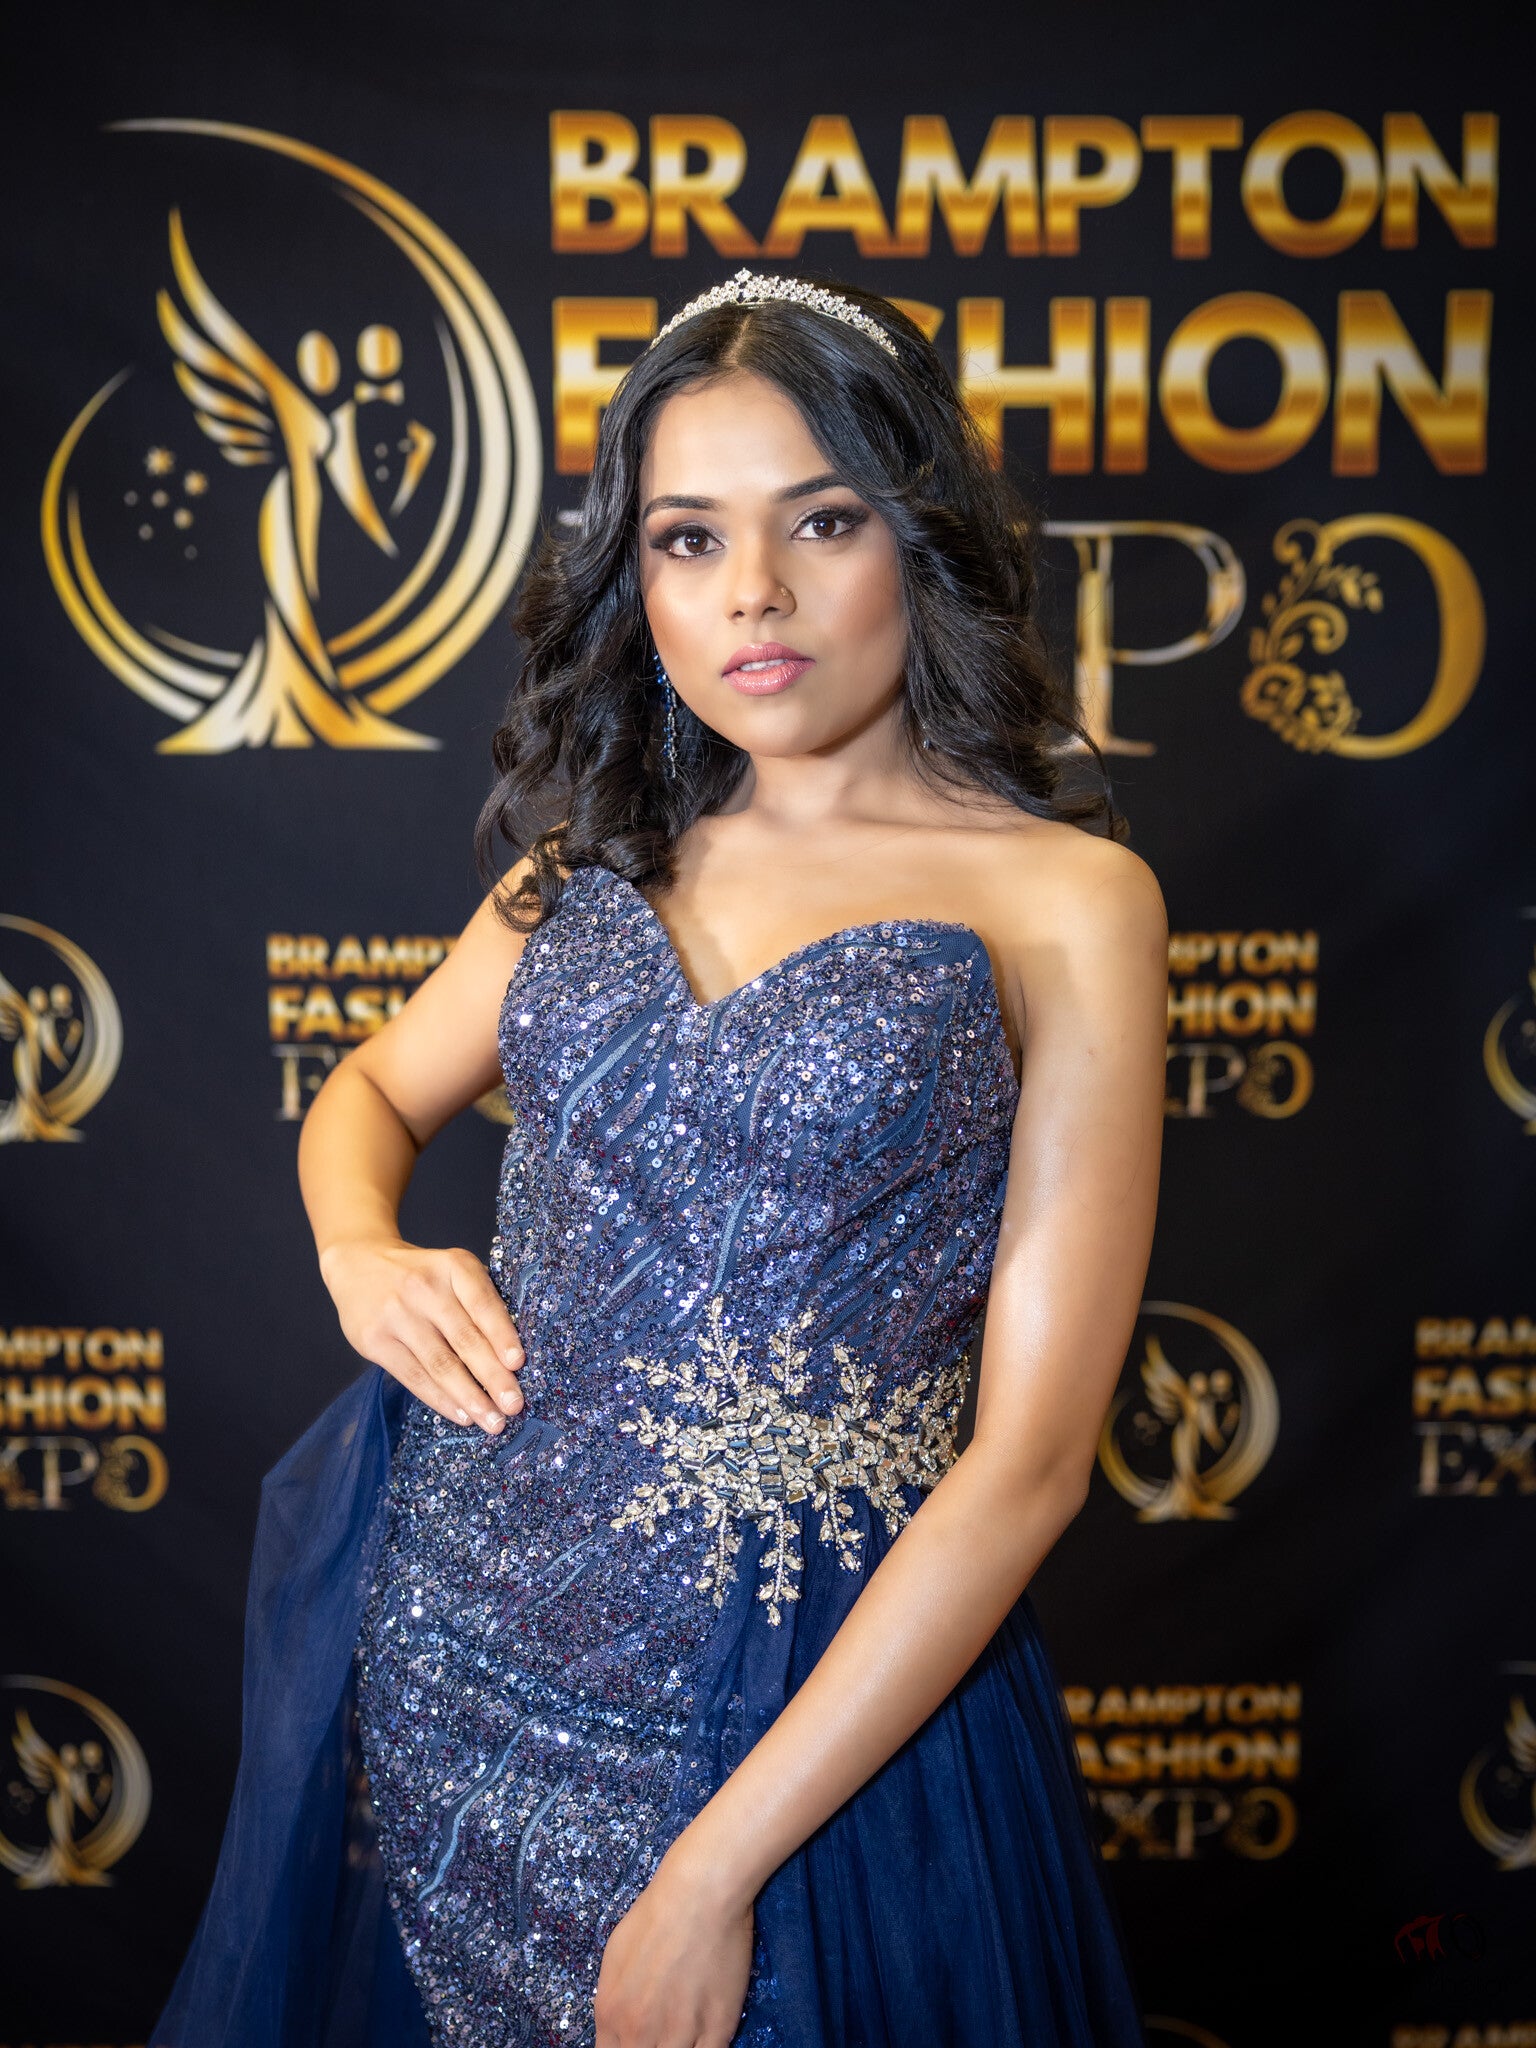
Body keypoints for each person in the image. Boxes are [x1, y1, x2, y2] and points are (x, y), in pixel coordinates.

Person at [153, 269, 1166, 2048]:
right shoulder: (586, 866)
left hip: (808, 1700)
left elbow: (1030, 1466)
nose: (752, 591)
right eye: (689, 538)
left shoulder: (1071, 904)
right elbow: (368, 1092)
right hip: (465, 1647)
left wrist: (713, 1872)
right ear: (638, 578)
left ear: (916, 536)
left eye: (820, 522)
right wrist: (359, 1249)